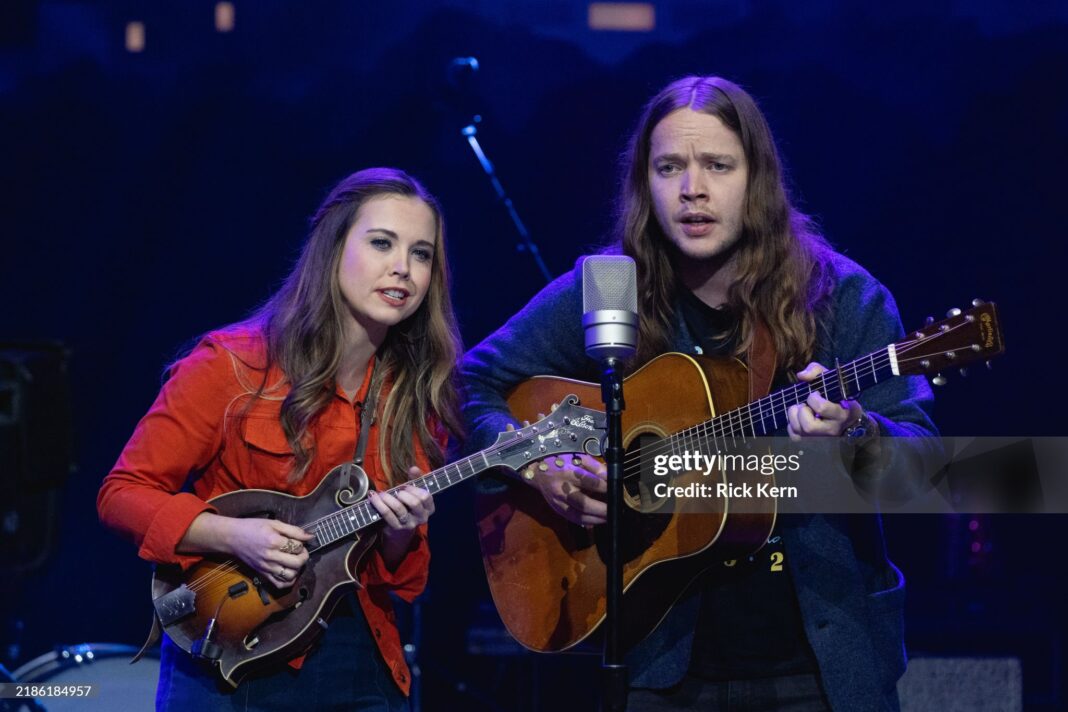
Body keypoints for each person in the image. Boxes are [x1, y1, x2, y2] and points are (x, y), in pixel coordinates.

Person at [461, 76, 938, 710]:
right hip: (659, 662)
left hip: (823, 662)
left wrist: (856, 434)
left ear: (756, 179)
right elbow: (474, 381)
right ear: (645, 184)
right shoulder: (609, 289)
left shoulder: (843, 297)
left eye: (718, 165)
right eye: (669, 167)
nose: (693, 190)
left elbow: (927, 466)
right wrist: (538, 463)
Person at [98, 167, 463, 711]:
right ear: (333, 247)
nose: (402, 268)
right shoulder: (233, 365)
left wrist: (400, 534)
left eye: (422, 254)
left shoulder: (414, 396)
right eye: (382, 243)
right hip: (229, 654)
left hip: (356, 655)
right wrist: (234, 537)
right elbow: (123, 494)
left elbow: (402, 580)